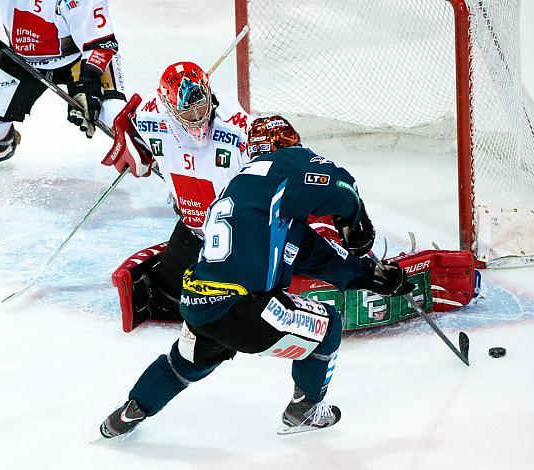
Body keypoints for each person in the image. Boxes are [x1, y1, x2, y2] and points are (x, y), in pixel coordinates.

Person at [99, 115, 414, 437]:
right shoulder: (284, 165)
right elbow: (340, 183)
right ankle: (305, 411)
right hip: (243, 305)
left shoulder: (246, 194)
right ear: (286, 144)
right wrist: (355, 221)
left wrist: (367, 274)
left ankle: (127, 414)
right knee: (329, 325)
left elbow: (311, 253)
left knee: (185, 364)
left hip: (198, 301)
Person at [103, 61, 252, 324]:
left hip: (239, 232)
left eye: (201, 107)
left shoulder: (237, 125)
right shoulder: (151, 115)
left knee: (244, 303)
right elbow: (131, 123)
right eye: (187, 111)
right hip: (193, 227)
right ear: (169, 107)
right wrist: (130, 142)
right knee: (168, 302)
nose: (196, 117)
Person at [0, 0, 126, 169]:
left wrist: (90, 85)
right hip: (24, 58)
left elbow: (100, 44)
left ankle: (148, 150)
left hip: (79, 58)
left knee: (114, 114)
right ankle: (2, 149)